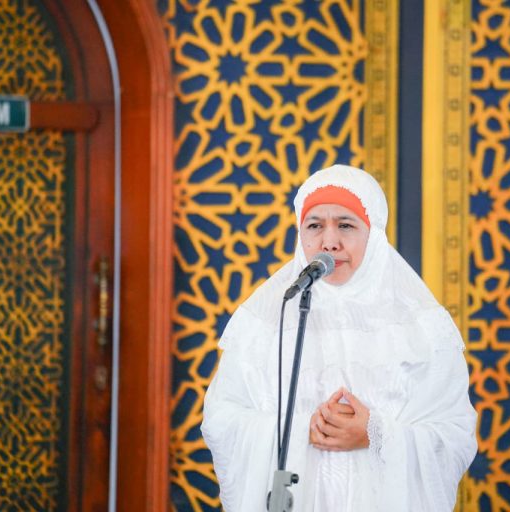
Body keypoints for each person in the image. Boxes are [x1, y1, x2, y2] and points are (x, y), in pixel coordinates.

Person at [202, 164, 478, 511]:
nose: (329, 242)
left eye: (345, 225)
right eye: (314, 225)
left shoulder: (422, 327)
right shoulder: (268, 321)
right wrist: (300, 430)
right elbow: (222, 421)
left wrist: (375, 434)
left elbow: (453, 435)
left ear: (373, 235)